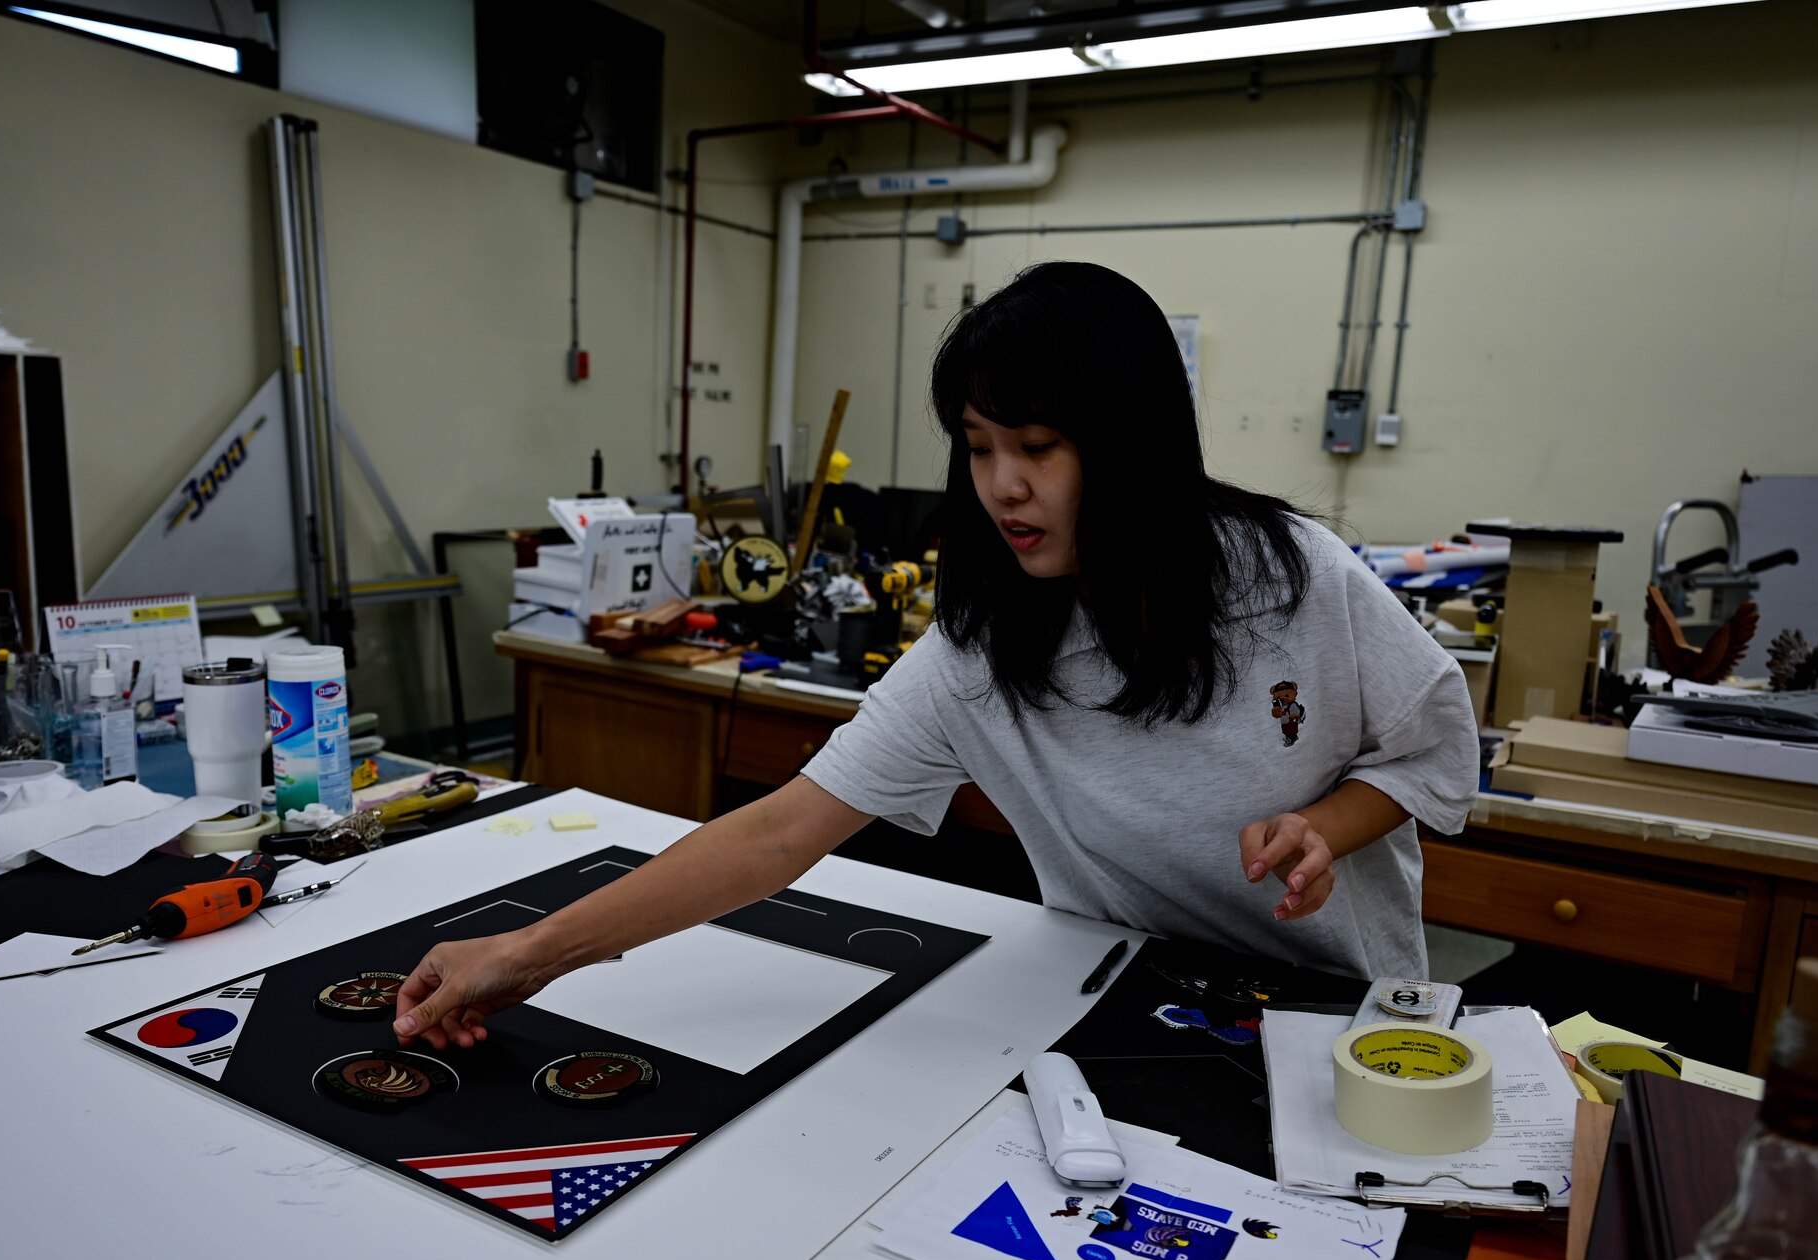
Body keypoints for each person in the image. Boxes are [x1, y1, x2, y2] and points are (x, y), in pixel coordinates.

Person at [394, 261, 1479, 1053]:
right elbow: (778, 831)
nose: (1001, 483)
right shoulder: (985, 642)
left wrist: (1324, 826)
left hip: (1332, 1008)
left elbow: (1428, 750)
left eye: (1037, 447)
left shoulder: (1290, 578)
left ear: (1132, 439)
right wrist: (528, 951)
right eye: (976, 447)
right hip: (1111, 996)